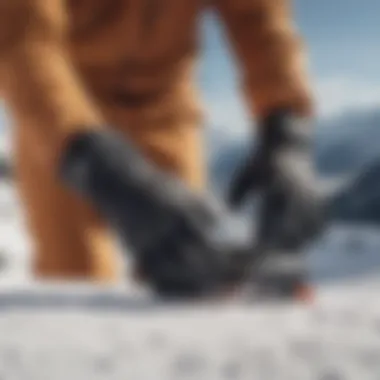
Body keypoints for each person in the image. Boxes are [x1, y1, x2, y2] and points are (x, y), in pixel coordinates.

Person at [0, 0, 322, 298]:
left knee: (192, 265)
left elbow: (257, 16)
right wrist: (91, 159)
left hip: (167, 110)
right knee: (72, 280)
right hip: (65, 110)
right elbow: (22, 41)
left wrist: (286, 129)